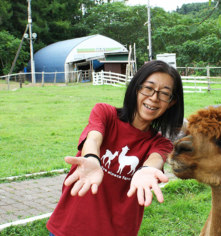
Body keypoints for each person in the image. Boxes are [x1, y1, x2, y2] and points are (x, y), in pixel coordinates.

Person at [46, 60, 184, 236]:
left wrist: (147, 170)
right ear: (136, 88)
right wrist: (91, 158)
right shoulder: (105, 114)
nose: (154, 98)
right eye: (148, 88)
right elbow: (94, 137)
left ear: (171, 103)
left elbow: (155, 159)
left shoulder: (161, 143)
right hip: (69, 227)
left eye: (164, 94)